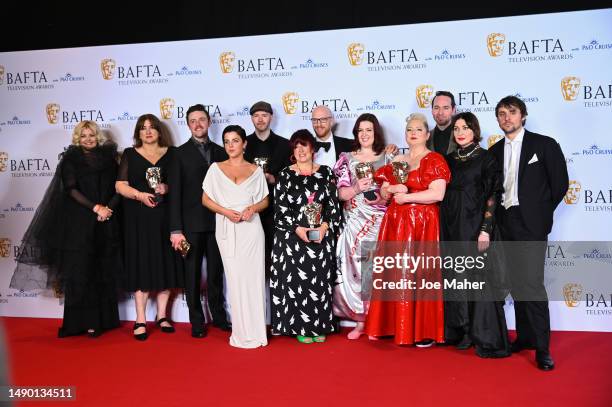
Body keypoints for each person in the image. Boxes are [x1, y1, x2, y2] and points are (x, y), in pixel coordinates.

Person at [11, 120, 121, 338]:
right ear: (77, 139)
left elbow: (119, 186)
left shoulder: (110, 158)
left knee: (102, 270)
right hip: (79, 223)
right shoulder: (71, 159)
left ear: (97, 136)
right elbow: (70, 189)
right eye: (83, 136)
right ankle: (82, 323)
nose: (88, 139)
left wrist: (108, 208)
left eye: (91, 135)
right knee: (81, 272)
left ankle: (104, 321)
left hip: (106, 221)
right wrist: (96, 207)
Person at [489, 96, 568, 371]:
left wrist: (540, 213)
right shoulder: (495, 151)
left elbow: (560, 185)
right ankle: (524, 337)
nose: (506, 118)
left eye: (511, 112)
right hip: (504, 223)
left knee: (532, 284)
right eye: (501, 113)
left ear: (523, 115)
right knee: (515, 283)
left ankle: (543, 349)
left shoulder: (544, 145)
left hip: (531, 225)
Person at [365, 113, 450, 346]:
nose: (413, 133)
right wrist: (392, 188)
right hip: (395, 221)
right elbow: (382, 193)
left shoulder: (435, 159)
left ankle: (422, 331)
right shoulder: (397, 160)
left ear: (427, 134)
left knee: (420, 274)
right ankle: (392, 325)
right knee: (395, 273)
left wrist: (408, 197)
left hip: (422, 222)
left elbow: (437, 193)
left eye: (418, 130)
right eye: (410, 130)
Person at [440, 112, 510, 358]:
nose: (460, 132)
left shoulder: (486, 158)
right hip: (451, 227)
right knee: (456, 279)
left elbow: (493, 196)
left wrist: (485, 230)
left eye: (465, 128)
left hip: (475, 227)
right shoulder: (447, 160)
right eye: (456, 128)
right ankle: (462, 330)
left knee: (477, 279)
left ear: (474, 131)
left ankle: (481, 333)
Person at [115, 114, 184, 341]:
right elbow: (120, 186)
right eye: (143, 128)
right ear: (138, 132)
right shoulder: (129, 154)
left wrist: (166, 187)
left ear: (158, 131)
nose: (148, 131)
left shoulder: (172, 153)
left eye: (152, 127)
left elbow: (180, 183)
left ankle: (162, 316)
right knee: (141, 266)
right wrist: (139, 195)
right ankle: (141, 318)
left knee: (166, 264)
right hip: (138, 219)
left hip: (166, 219)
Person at [270, 129, 341, 344]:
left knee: (319, 282)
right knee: (297, 282)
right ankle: (300, 326)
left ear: (313, 148)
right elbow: (280, 209)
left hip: (320, 238)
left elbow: (333, 205)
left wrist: (325, 226)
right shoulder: (285, 174)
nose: (300, 150)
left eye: (304, 145)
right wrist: (297, 229)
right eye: (296, 146)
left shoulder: (327, 173)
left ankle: (319, 326)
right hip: (292, 239)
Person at [202, 125, 269, 348]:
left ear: (244, 143)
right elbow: (206, 199)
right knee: (235, 279)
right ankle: (240, 332)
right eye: (227, 141)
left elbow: (265, 201)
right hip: (227, 229)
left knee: (254, 279)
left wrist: (252, 209)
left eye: (235, 140)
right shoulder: (215, 169)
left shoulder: (256, 170)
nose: (231, 145)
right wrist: (225, 212)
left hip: (251, 230)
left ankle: (258, 332)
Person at [168, 104, 230, 338]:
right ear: (188, 124)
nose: (197, 124)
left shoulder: (221, 151)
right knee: (191, 275)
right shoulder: (178, 154)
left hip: (218, 223)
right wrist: (176, 229)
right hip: (190, 226)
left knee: (216, 273)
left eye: (201, 119)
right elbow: (174, 195)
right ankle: (196, 320)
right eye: (193, 120)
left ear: (209, 122)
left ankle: (219, 316)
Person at [332, 113, 389, 339]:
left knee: (375, 272)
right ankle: (360, 322)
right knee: (354, 271)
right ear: (356, 134)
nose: (365, 134)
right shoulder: (346, 158)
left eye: (369, 130)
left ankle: (378, 322)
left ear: (376, 133)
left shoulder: (388, 158)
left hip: (379, 221)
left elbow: (394, 191)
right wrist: (355, 188)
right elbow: (339, 194)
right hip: (354, 220)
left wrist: (383, 197)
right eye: (360, 130)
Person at [243, 101, 291, 310]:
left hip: (277, 213)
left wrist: (274, 179)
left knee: (277, 264)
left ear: (271, 117)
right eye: (256, 115)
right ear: (251, 118)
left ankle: (279, 313)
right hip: (250, 212)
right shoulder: (244, 144)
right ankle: (254, 313)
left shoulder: (284, 144)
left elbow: (292, 178)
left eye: (264, 115)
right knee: (252, 265)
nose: (260, 119)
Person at [427, 91, 457, 155]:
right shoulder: (425, 138)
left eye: (446, 108)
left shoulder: (463, 136)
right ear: (432, 110)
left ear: (453, 110)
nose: (440, 113)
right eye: (436, 108)